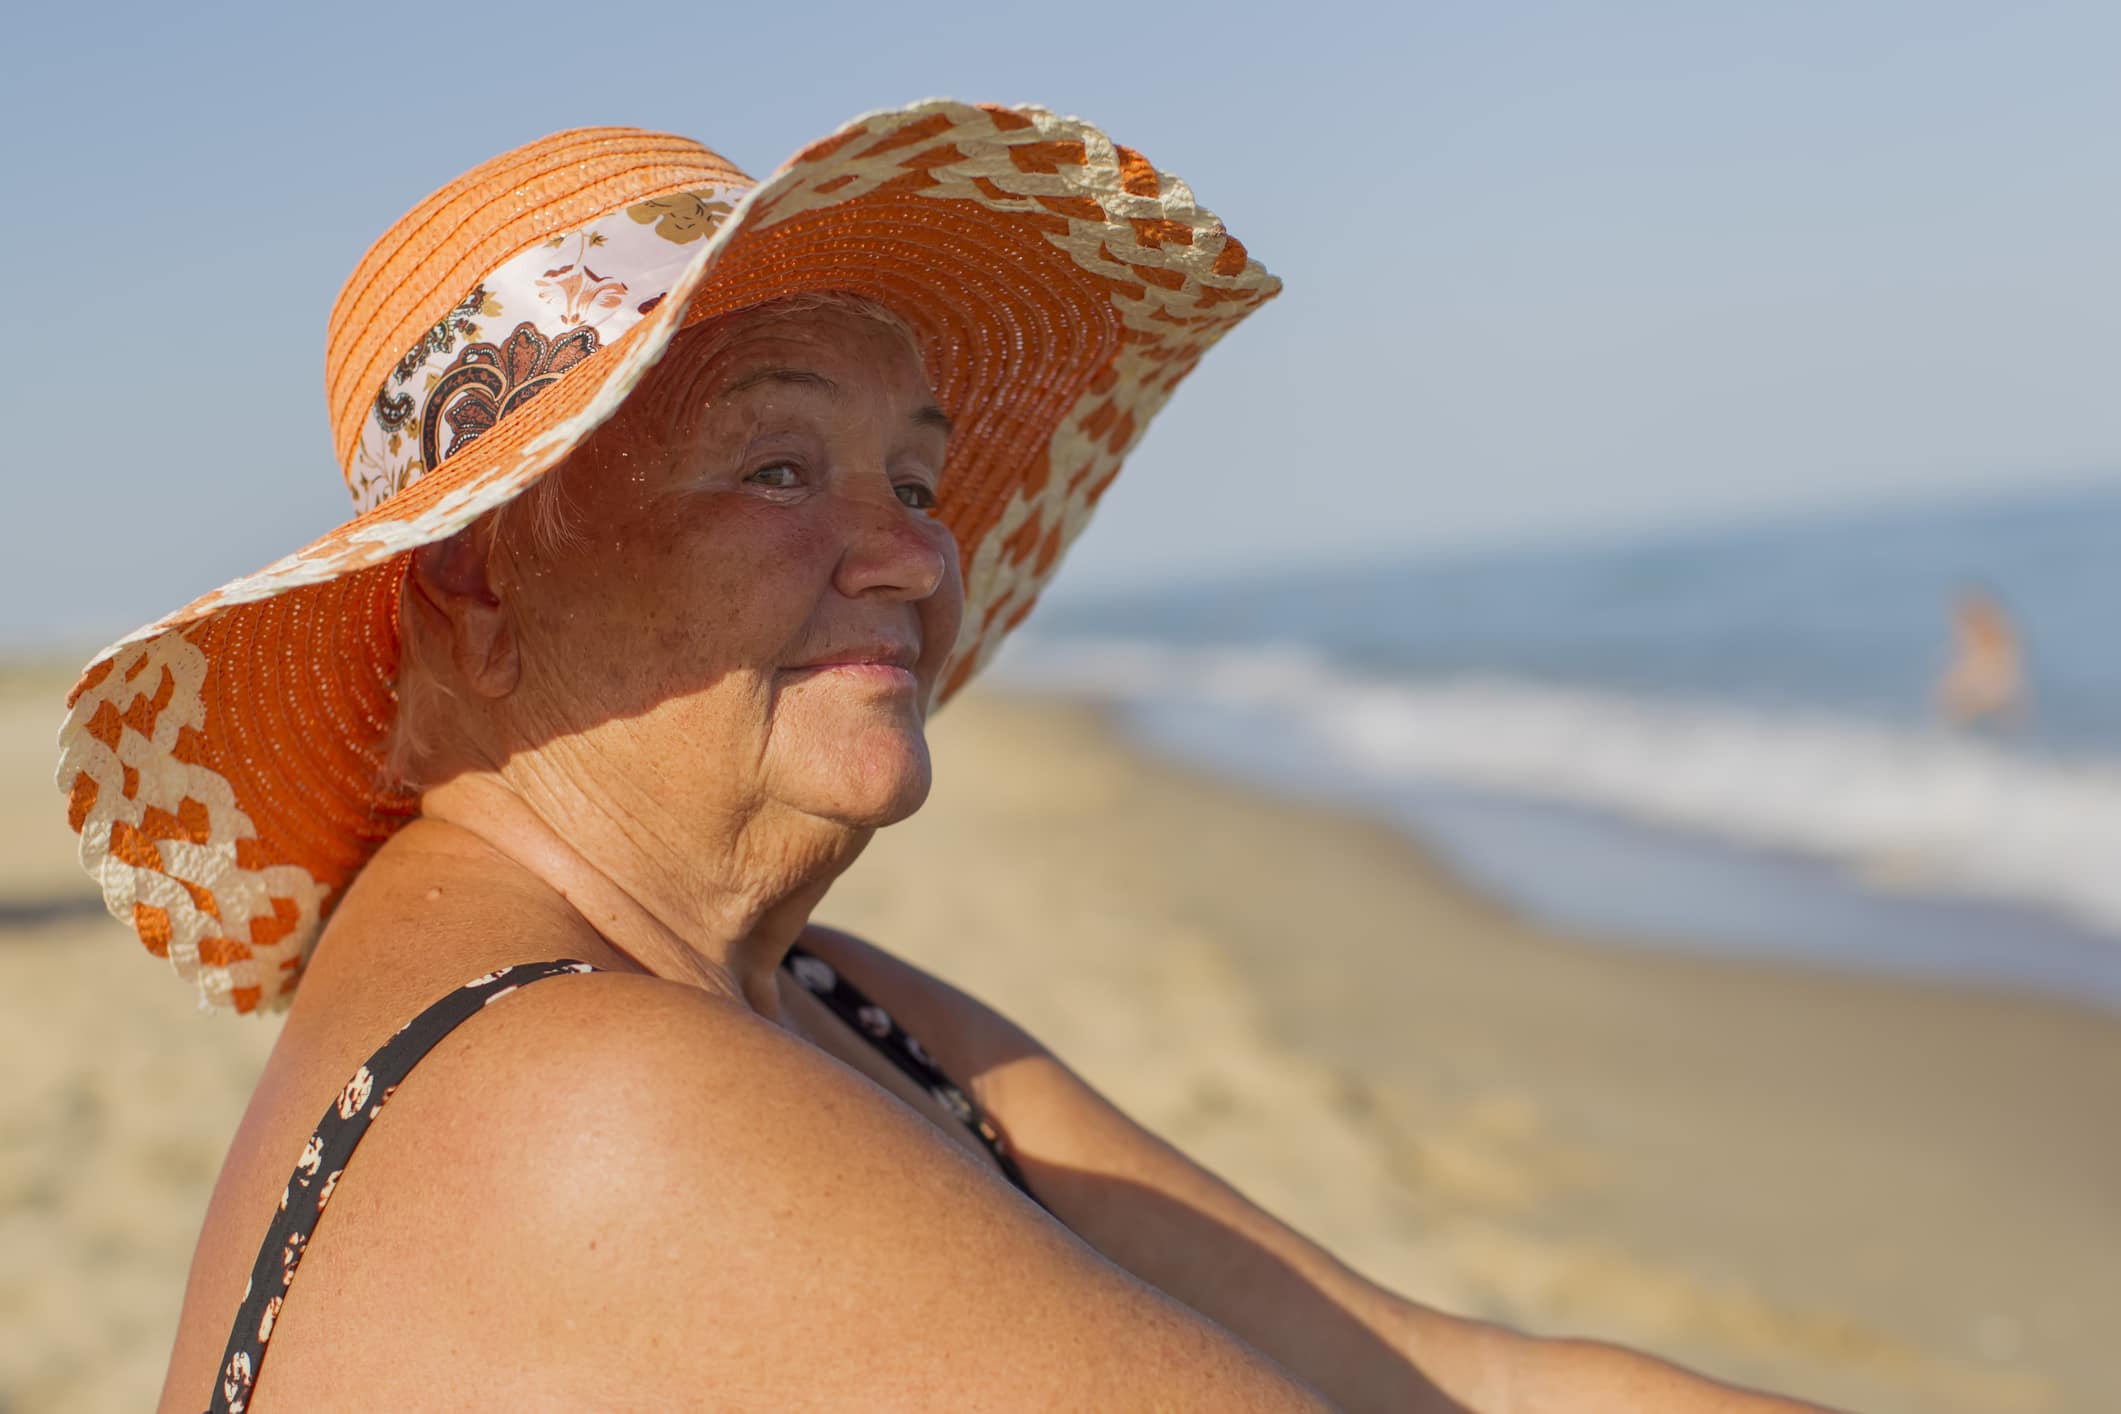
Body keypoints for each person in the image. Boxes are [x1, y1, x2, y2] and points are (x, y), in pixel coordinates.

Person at [59, 104, 1828, 1412]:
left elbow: (1460, 1376)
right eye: (774, 468)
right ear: (479, 580)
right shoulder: (588, 1092)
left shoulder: (798, 990)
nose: (912, 553)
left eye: (912, 478)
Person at [1936, 582, 2027, 729]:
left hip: (1991, 685)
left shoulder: (1992, 630)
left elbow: (2000, 668)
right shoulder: (2000, 628)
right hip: (1993, 685)